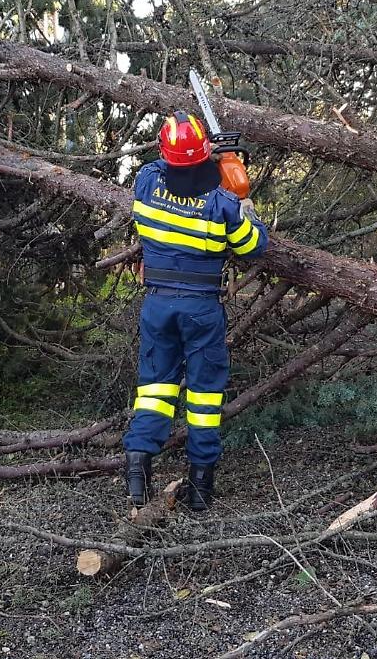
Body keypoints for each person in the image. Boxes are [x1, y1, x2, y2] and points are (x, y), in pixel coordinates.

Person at [122, 110, 269, 511]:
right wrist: (242, 199)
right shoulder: (223, 204)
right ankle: (201, 488)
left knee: (154, 389)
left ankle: (137, 473)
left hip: (158, 305)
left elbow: (163, 165)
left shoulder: (147, 182)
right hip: (201, 309)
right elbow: (255, 246)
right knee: (204, 396)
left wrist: (200, 157)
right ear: (204, 154)